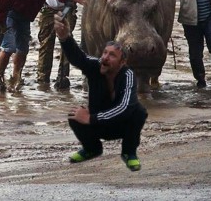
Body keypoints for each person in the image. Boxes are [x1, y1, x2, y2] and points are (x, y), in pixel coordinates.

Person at [54, 14, 147, 172]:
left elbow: (125, 108)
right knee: (74, 114)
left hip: (120, 125)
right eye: (104, 53)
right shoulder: (96, 66)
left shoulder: (128, 75)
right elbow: (79, 58)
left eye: (112, 55)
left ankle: (129, 153)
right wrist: (65, 38)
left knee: (138, 112)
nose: (105, 57)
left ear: (122, 62)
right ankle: (92, 149)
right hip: (99, 124)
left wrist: (91, 118)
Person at [37, 0, 100, 88]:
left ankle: (63, 78)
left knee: (67, 42)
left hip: (69, 9)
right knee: (46, 43)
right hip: (50, 8)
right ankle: (43, 79)